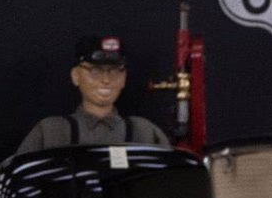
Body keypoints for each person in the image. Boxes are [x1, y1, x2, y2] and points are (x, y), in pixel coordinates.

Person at [15, 35, 171, 155]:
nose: (106, 80)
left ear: (124, 78)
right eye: (95, 71)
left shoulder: (144, 133)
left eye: (114, 71)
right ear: (76, 76)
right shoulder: (52, 132)